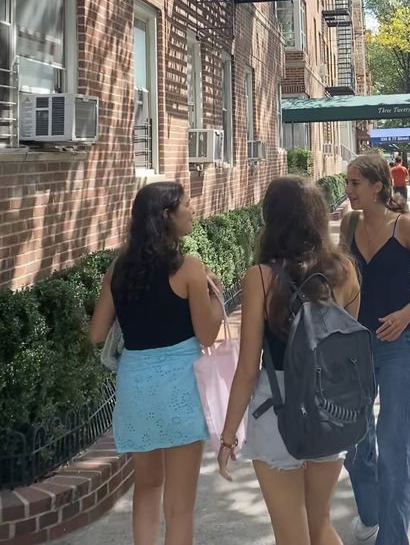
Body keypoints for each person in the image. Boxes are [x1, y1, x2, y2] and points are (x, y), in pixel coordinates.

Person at [217, 176, 361, 545]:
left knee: (290, 535)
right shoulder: (344, 271)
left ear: (271, 219)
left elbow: (248, 367)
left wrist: (229, 433)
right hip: (329, 406)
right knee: (321, 526)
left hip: (276, 408)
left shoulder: (261, 278)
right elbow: (349, 348)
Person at [89, 182, 223, 545]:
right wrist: (216, 296)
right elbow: (208, 335)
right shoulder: (189, 269)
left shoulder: (119, 268)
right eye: (187, 205)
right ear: (167, 216)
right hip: (181, 386)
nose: (192, 211)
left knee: (147, 487)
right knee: (179, 506)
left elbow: (97, 333)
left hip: (136, 385)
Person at [341, 153, 410, 545]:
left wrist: (406, 313)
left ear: (377, 186)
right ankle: (371, 514)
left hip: (398, 346)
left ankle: (394, 538)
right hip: (354, 347)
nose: (348, 191)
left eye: (354, 184)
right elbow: (344, 281)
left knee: (395, 446)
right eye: (348, 183)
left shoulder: (406, 228)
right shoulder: (348, 224)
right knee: (355, 443)